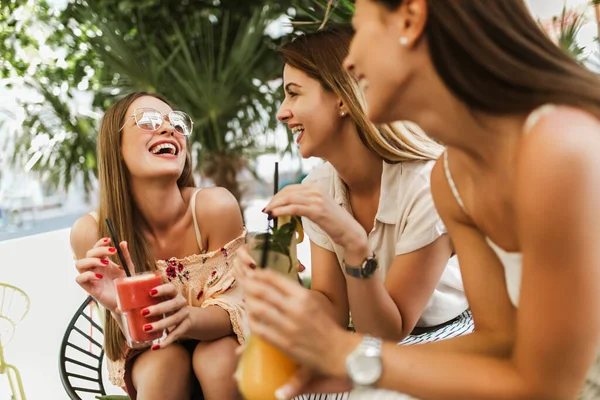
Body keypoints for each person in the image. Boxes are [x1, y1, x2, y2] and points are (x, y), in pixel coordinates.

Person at [240, 1, 600, 399]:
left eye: (360, 32)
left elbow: (547, 385)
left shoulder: (559, 147)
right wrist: (349, 364)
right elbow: (497, 340)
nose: (351, 62)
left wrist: (353, 357)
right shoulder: (454, 177)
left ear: (410, 20)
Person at [236, 26, 471, 399]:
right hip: (374, 340)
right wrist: (277, 279)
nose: (282, 113)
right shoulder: (319, 187)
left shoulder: (427, 186)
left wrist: (353, 241)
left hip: (443, 336)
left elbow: (387, 331)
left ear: (343, 98)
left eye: (294, 93)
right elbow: (331, 310)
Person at [71, 92, 246, 400]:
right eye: (149, 120)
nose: (169, 129)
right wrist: (120, 309)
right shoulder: (92, 232)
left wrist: (187, 317)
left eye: (176, 123)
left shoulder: (214, 207)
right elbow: (131, 342)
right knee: (165, 362)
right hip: (149, 353)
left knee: (216, 358)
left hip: (222, 338)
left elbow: (237, 310)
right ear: (116, 146)